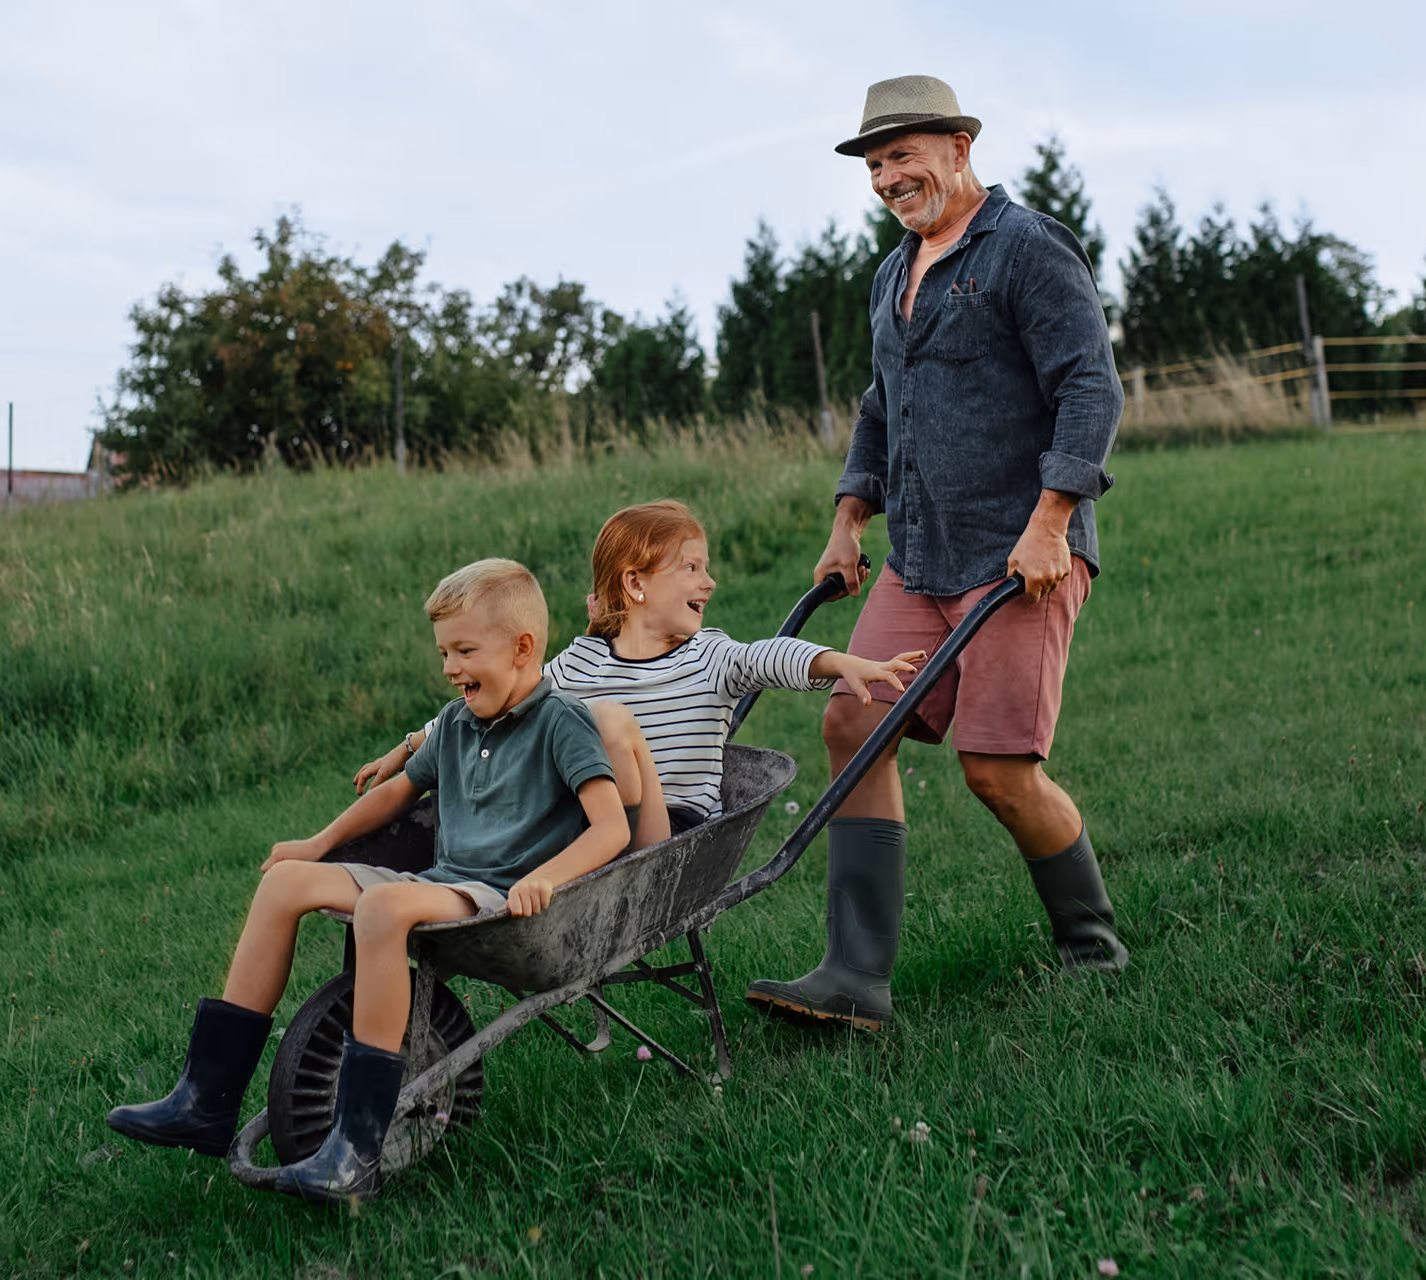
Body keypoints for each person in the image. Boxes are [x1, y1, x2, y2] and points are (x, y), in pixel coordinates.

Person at [745, 76, 1129, 1033]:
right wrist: (848, 519)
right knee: (850, 722)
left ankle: (1094, 946)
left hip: (1016, 559)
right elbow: (883, 407)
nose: (887, 177)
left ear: (959, 145)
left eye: (902, 154)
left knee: (998, 772)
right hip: (919, 554)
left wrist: (1051, 522)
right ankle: (853, 976)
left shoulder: (1027, 251)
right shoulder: (893, 274)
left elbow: (1090, 387)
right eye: (874, 164)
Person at [106, 559, 632, 1204]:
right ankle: (204, 1102)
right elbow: (395, 795)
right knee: (287, 883)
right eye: (444, 652)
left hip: (499, 894)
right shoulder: (457, 721)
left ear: (523, 649)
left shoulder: (562, 722)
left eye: (465, 650)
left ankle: (354, 1151)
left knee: (384, 906)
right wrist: (320, 845)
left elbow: (611, 829)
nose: (449, 667)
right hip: (445, 879)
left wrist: (544, 881)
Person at [354, 500, 924, 833]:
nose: (710, 581)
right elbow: (507, 698)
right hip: (597, 821)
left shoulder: (711, 657)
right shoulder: (582, 662)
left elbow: (770, 655)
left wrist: (838, 662)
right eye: (693, 568)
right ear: (635, 584)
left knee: (600, 732)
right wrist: (410, 745)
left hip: (671, 830)